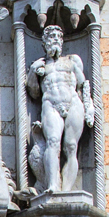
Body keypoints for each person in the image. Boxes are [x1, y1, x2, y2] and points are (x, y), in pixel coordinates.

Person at [24, 23, 88, 194]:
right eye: (51, 38)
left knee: (71, 146)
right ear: (44, 43)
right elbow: (34, 92)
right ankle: (53, 185)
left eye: (58, 37)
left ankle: (66, 191)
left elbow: (83, 86)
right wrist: (33, 72)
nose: (55, 40)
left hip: (73, 102)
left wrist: (89, 107)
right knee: (52, 142)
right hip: (50, 103)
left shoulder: (72, 61)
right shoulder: (40, 65)